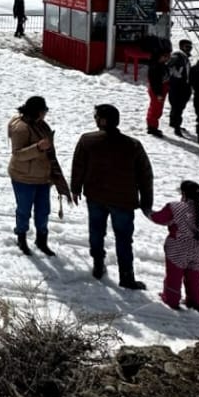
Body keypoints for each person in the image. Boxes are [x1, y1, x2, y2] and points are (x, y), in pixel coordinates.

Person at [70, 104, 153, 289]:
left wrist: (75, 188)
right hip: (123, 201)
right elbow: (145, 175)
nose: (95, 119)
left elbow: (78, 166)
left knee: (96, 232)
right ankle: (126, 277)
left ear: (103, 120)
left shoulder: (87, 140)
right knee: (124, 238)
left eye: (97, 116)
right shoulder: (133, 145)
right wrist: (146, 203)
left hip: (95, 197)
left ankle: (98, 265)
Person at [7, 95, 74, 257]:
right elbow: (17, 154)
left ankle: (41, 240)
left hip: (43, 178)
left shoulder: (41, 125)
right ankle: (21, 238)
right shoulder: (21, 129)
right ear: (36, 111)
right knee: (24, 210)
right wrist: (38, 147)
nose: (45, 114)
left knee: (43, 211)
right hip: (24, 178)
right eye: (43, 111)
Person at [149, 180, 199, 312]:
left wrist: (147, 211)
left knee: (174, 277)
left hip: (177, 249)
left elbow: (159, 218)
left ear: (184, 194)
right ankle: (196, 303)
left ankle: (171, 300)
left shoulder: (175, 207)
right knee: (194, 280)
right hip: (198, 252)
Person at [167, 39, 194, 138]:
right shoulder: (177, 56)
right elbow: (169, 66)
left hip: (181, 85)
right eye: (187, 47)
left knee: (177, 107)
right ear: (181, 46)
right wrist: (176, 74)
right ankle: (177, 127)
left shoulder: (184, 57)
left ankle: (174, 123)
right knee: (178, 107)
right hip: (178, 86)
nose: (189, 49)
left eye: (190, 47)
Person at [145, 41, 171, 137]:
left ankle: (153, 125)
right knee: (155, 109)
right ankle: (152, 127)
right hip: (157, 90)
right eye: (165, 56)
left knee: (158, 109)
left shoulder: (162, 65)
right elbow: (155, 82)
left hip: (162, 89)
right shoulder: (155, 67)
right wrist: (158, 93)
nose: (167, 58)